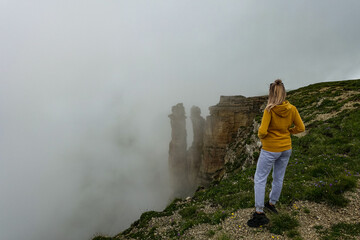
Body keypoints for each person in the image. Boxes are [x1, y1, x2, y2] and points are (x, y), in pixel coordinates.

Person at [247, 79, 305, 228]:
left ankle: (259, 212)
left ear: (271, 94)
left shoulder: (269, 109)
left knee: (260, 178)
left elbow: (262, 131)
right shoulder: (292, 109)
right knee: (278, 177)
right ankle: (272, 204)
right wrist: (288, 132)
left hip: (270, 149)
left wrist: (265, 140)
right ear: (284, 93)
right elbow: (301, 127)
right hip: (286, 148)